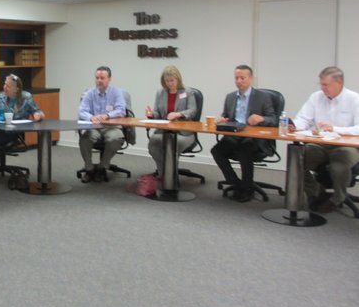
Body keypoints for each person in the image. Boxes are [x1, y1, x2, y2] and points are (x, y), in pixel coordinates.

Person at [288, 66, 359, 213]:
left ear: (338, 83)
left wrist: (335, 129)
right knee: (297, 160)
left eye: (325, 85)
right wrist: (294, 126)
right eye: (321, 84)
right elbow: (304, 119)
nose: (322, 88)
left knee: (338, 167)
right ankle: (316, 191)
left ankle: (336, 199)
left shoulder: (354, 99)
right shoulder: (316, 97)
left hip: (346, 146)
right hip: (321, 144)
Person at [211, 64, 277, 202]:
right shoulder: (230, 97)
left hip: (254, 138)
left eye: (242, 78)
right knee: (217, 151)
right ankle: (236, 183)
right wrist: (221, 120)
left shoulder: (262, 97)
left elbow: (274, 119)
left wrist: (262, 118)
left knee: (244, 150)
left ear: (251, 79)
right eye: (236, 78)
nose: (239, 81)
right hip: (234, 135)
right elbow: (226, 116)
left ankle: (247, 189)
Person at [145, 66, 197, 177]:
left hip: (184, 132)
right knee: (153, 144)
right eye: (167, 81)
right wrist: (152, 115)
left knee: (172, 146)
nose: (170, 83)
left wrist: (178, 114)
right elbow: (158, 113)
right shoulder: (160, 93)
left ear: (178, 79)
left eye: (172, 80)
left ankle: (170, 177)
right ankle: (164, 174)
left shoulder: (188, 92)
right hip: (164, 130)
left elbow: (192, 111)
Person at [78, 66, 127, 183]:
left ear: (109, 79)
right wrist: (91, 117)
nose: (99, 80)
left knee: (115, 138)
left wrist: (108, 115)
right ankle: (89, 169)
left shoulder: (116, 92)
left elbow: (121, 110)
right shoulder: (90, 93)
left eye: (102, 78)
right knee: (85, 139)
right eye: (97, 78)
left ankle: (102, 167)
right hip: (95, 127)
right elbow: (82, 111)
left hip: (112, 127)